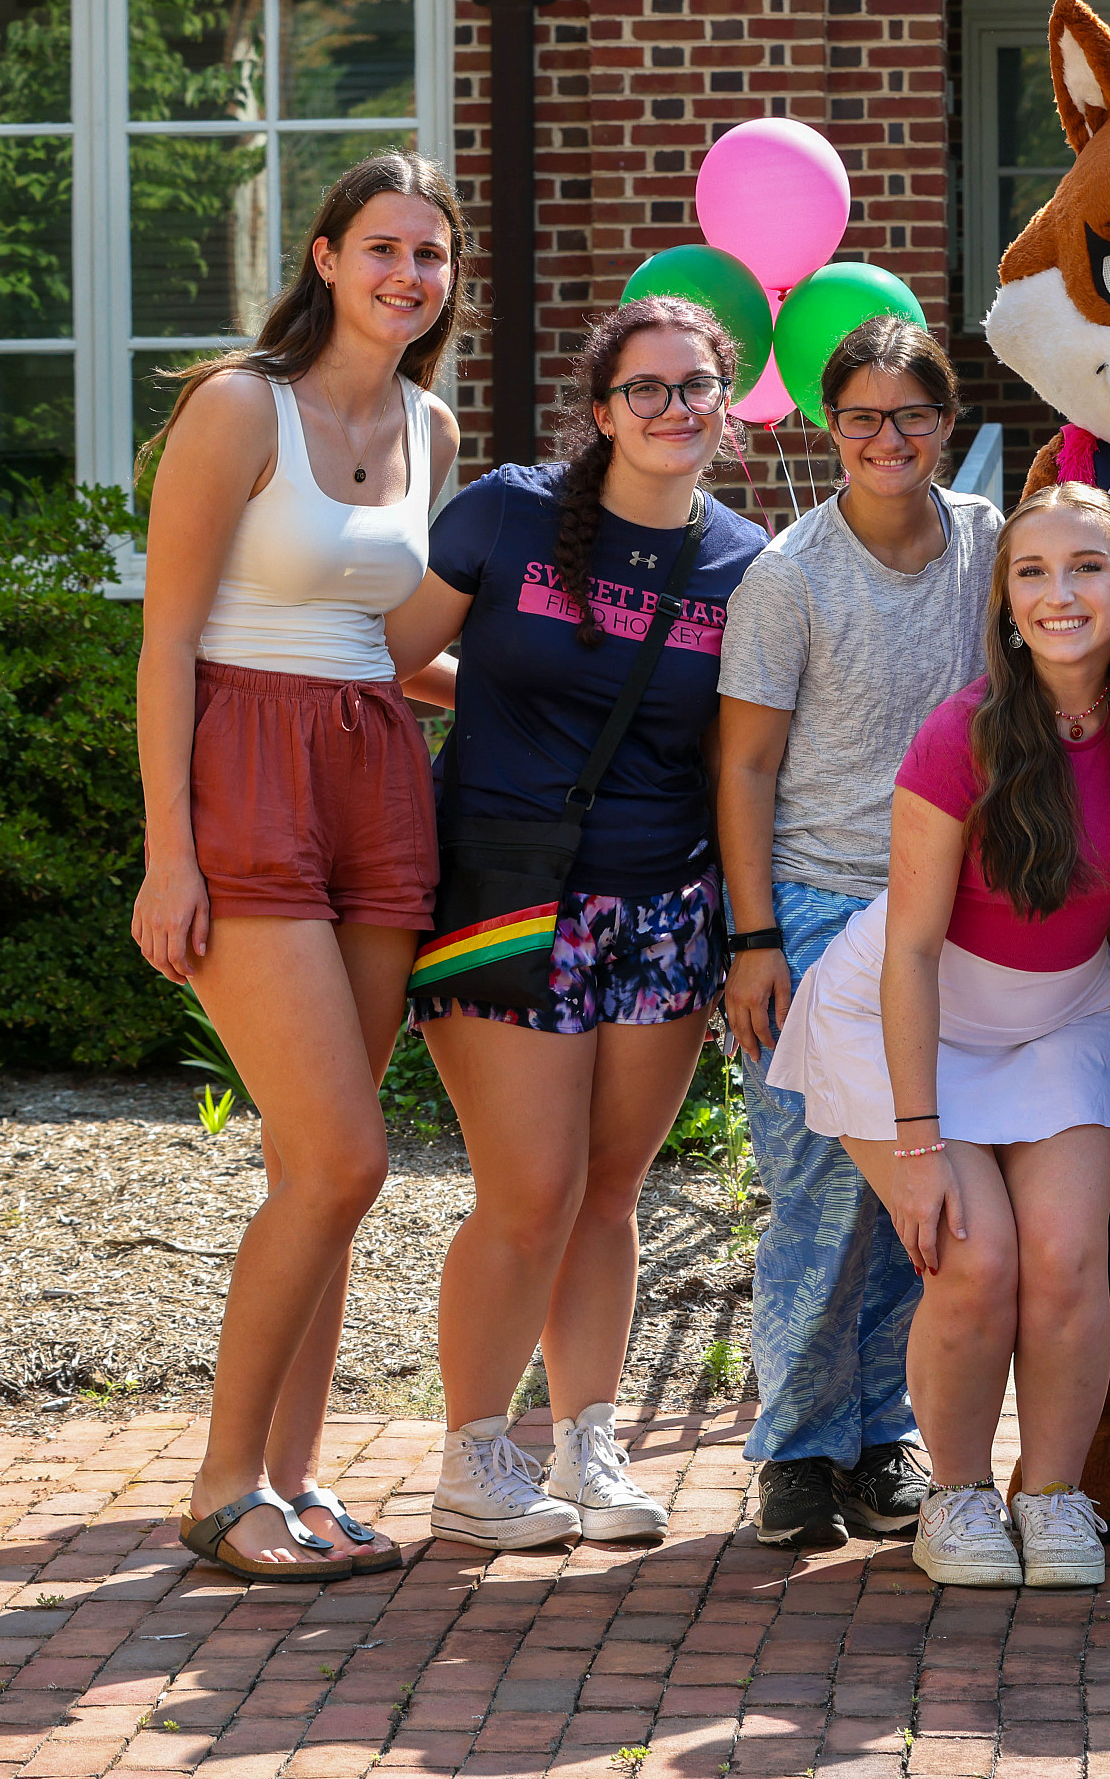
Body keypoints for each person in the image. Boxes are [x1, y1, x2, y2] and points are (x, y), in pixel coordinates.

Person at [764, 484, 1110, 1591]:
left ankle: (1051, 1497)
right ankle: (955, 1498)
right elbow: (906, 949)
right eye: (1031, 572)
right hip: (908, 1014)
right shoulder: (962, 732)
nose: (1060, 593)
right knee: (975, 1257)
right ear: (1004, 603)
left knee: (1063, 1260)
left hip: (1061, 1014)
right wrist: (916, 1145)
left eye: (1085, 568)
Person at [384, 295, 768, 1550]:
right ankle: (474, 1454)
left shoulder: (744, 562)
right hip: (506, 890)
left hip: (664, 906)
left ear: (727, 406)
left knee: (610, 1189)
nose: (673, 408)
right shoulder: (503, 513)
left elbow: (737, 754)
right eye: (645, 388)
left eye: (696, 386)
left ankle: (588, 1442)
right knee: (529, 1188)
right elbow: (392, 658)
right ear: (600, 410)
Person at [132, 153, 468, 1583]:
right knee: (341, 1153)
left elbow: (393, 646)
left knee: (315, 1170)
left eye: (433, 256)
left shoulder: (431, 425)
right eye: (384, 246)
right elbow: (165, 643)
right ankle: (220, 1484)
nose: (409, 274)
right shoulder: (235, 407)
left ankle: (292, 1470)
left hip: (376, 777)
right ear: (324, 256)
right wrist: (168, 853)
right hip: (247, 778)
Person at [716, 317, 998, 1550]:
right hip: (821, 911)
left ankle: (882, 1437)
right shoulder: (789, 574)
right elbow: (744, 767)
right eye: (864, 418)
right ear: (832, 427)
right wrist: (754, 937)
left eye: (915, 415)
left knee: (917, 1201)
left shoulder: (991, 548)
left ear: (947, 422)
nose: (890, 439)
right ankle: (792, 1448)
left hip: (950, 921)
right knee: (817, 1202)